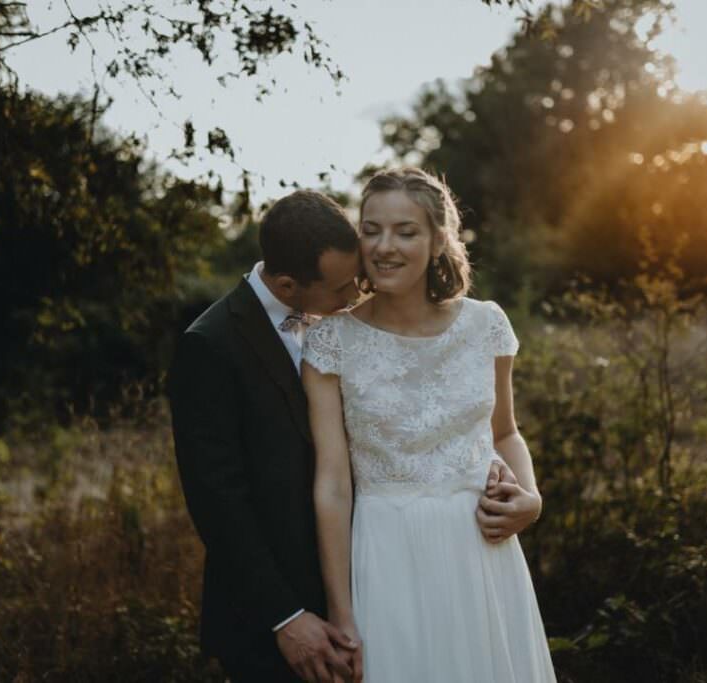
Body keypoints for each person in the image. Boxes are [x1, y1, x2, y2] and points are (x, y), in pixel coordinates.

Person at [302, 167, 558, 682]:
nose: (384, 246)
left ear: (439, 239)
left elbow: (505, 433)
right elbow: (332, 484)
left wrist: (530, 499)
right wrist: (342, 610)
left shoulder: (485, 325)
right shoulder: (332, 343)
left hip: (480, 555)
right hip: (386, 553)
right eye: (371, 230)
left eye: (406, 231)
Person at [168, 190, 364, 682]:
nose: (356, 295)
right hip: (271, 619)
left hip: (355, 591)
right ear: (287, 284)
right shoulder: (210, 346)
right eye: (342, 287)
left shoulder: (343, 329)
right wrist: (285, 617)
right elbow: (217, 500)